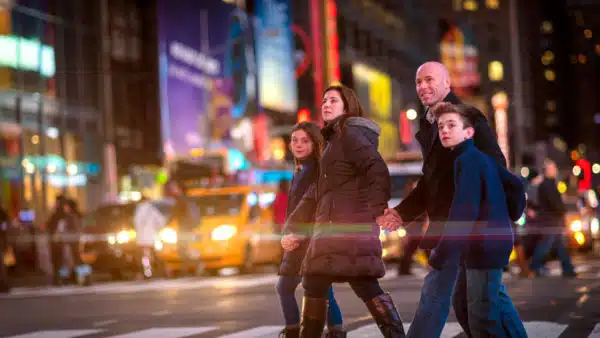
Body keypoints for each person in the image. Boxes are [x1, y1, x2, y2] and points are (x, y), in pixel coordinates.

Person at [379, 62, 509, 337]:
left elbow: (496, 166)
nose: (423, 87)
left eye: (429, 80)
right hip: (452, 226)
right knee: (483, 304)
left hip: (467, 226)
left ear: (447, 84)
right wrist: (401, 212)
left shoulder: (465, 117)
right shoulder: (431, 123)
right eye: (418, 82)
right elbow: (431, 181)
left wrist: (495, 214)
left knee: (438, 294)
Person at [282, 85, 404, 337]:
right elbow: (317, 192)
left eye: (333, 101)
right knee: (315, 282)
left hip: (349, 230)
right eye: (324, 100)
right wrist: (293, 227)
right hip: (329, 232)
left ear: (347, 106)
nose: (326, 104)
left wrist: (380, 209)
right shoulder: (333, 140)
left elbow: (376, 169)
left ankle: (396, 334)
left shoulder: (350, 135)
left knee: (365, 285)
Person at [409, 102, 527, 337]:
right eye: (441, 126)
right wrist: (509, 215)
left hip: (485, 247)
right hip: (483, 245)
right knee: (465, 305)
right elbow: (514, 184)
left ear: (468, 132)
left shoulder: (468, 161)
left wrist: (441, 253)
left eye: (451, 125)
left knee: (482, 318)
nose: (444, 130)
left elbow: (464, 211)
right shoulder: (473, 158)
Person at [277, 121, 344, 338]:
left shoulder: (316, 171)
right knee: (320, 288)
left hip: (310, 239)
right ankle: (335, 331)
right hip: (302, 238)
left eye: (304, 140)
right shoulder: (300, 169)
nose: (298, 144)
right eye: (294, 140)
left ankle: (293, 331)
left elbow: (317, 208)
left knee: (287, 286)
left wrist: (296, 234)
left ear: (315, 144)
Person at [528, 158, 577, 277]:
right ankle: (533, 267)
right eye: (553, 168)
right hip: (551, 220)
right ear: (548, 171)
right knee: (546, 245)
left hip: (551, 220)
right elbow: (554, 203)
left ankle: (568, 268)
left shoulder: (548, 184)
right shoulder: (548, 184)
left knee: (559, 245)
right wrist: (563, 210)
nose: (555, 170)